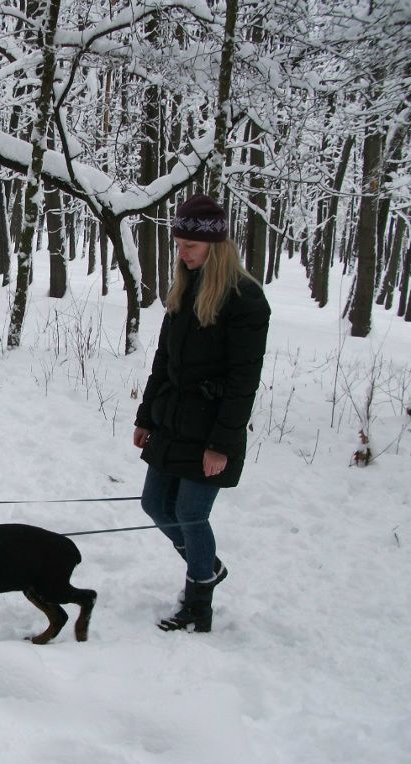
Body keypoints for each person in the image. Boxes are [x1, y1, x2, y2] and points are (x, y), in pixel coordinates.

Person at [132, 194, 270, 633]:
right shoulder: (184, 289)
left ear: (216, 244)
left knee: (191, 513)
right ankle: (205, 563)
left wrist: (220, 445)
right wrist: (145, 416)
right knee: (155, 504)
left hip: (211, 430)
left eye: (190, 245)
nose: (182, 253)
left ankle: (198, 604)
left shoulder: (246, 299)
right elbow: (162, 360)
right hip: (172, 422)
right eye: (179, 244)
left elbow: (243, 383)